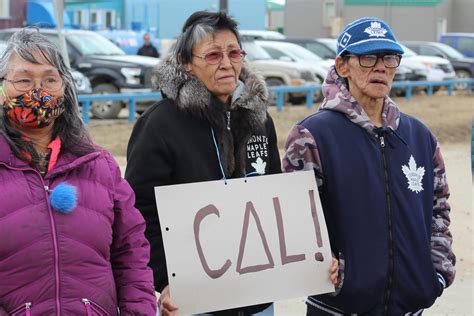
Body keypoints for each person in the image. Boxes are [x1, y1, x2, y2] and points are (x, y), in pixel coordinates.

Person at [126, 10, 339, 316]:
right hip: (197, 302)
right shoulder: (159, 125)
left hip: (260, 300)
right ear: (186, 64)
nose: (227, 63)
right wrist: (167, 280)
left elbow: (277, 202)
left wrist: (315, 258)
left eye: (234, 52)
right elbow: (140, 213)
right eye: (213, 55)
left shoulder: (258, 119)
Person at [282, 17, 455, 315]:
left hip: (409, 308)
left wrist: (436, 273)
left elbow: (439, 210)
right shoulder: (311, 136)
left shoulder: (419, 137)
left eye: (389, 57)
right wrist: (328, 272)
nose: (381, 67)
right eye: (368, 57)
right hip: (338, 309)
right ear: (342, 65)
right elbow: (292, 223)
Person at [0, 28, 156, 315]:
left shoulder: (99, 165)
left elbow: (131, 253)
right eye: (23, 80)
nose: (38, 91)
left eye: (50, 79)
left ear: (65, 87)